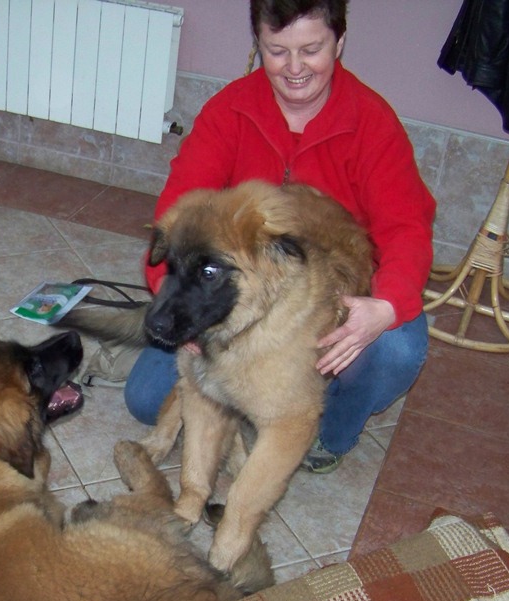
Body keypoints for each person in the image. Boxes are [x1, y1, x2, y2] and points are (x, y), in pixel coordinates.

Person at [124, 0, 436, 474]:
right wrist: (179, 304)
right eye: (277, 51)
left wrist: (387, 305)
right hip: (239, 290)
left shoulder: (372, 121)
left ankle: (327, 432)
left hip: (329, 293)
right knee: (147, 400)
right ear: (259, 44)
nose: (294, 68)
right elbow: (177, 214)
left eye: (311, 50)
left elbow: (407, 227)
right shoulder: (228, 110)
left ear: (339, 43)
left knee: (399, 348)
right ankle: (260, 400)